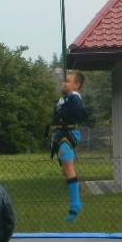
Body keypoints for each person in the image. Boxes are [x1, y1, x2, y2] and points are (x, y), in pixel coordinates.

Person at [50, 70, 87, 221]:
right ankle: (75, 191)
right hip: (60, 134)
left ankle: (75, 204)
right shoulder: (63, 99)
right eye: (63, 81)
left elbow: (78, 110)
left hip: (70, 133)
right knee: (66, 170)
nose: (63, 83)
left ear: (76, 85)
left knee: (67, 163)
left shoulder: (75, 97)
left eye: (67, 81)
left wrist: (69, 95)